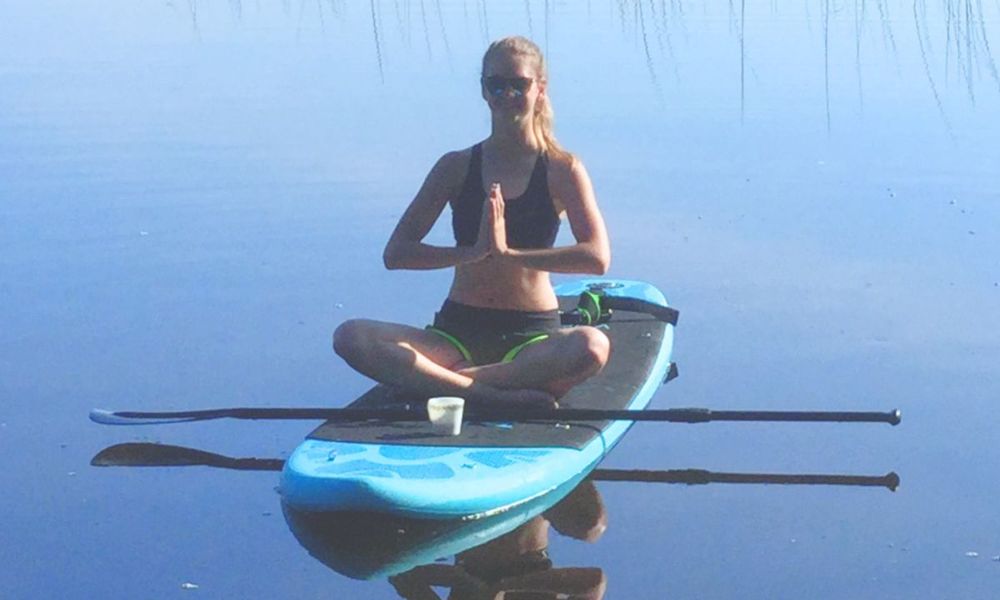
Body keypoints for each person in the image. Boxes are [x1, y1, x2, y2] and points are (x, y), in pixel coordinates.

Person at [333, 36, 611, 409]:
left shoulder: (562, 169)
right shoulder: (455, 167)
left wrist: (508, 254)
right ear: (484, 90)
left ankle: (446, 384)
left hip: (529, 337)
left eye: (519, 84)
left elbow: (597, 257)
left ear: (539, 89)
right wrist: (472, 253)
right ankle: (486, 395)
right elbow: (396, 253)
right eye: (497, 84)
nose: (507, 93)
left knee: (592, 347)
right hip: (456, 334)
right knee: (350, 336)